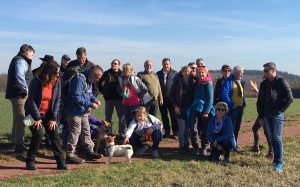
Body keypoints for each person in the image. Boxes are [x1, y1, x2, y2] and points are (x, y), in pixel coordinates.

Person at [25, 61, 67, 170]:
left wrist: (53, 118)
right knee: (38, 134)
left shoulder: (57, 82)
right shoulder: (36, 81)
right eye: (56, 73)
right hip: (30, 114)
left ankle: (61, 162)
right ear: (49, 72)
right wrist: (37, 117)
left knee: (54, 134)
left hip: (48, 114)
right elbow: (31, 100)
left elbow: (57, 100)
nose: (58, 75)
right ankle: (30, 161)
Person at [257, 62, 293, 172]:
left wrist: (280, 111)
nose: (265, 73)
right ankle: (275, 161)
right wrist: (261, 116)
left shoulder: (281, 81)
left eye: (266, 71)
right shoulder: (264, 84)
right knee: (272, 138)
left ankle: (279, 163)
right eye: (264, 71)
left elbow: (289, 98)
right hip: (266, 115)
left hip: (277, 115)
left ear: (273, 70)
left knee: (277, 138)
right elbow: (260, 101)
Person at [64, 65, 104, 164]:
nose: (99, 79)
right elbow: (76, 96)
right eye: (98, 77)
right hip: (74, 111)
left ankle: (89, 151)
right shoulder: (79, 79)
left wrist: (95, 99)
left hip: (83, 110)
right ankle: (69, 155)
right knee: (75, 131)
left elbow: (88, 94)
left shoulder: (89, 80)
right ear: (93, 74)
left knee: (86, 130)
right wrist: (90, 104)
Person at [5, 44, 35, 154]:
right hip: (20, 95)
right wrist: (26, 90)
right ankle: (19, 145)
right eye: (32, 55)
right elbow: (19, 75)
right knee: (21, 119)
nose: (32, 57)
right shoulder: (21, 61)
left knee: (18, 120)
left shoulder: (18, 59)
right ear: (26, 53)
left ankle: (15, 142)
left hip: (18, 94)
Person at [188, 66, 215, 158]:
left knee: (205, 130)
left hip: (205, 110)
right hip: (195, 108)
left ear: (206, 73)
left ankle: (204, 148)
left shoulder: (208, 84)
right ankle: (195, 148)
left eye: (202, 72)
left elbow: (211, 98)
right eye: (199, 72)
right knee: (194, 129)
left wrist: (207, 111)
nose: (201, 74)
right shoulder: (196, 83)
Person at [170, 66, 196, 153]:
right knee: (181, 129)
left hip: (190, 109)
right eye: (185, 71)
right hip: (180, 109)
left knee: (188, 129)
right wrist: (175, 106)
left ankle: (187, 145)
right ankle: (181, 146)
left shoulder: (194, 81)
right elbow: (171, 95)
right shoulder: (177, 81)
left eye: (188, 71)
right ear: (182, 72)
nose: (186, 73)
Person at [98, 59, 125, 135]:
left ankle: (121, 133)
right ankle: (109, 133)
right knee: (108, 118)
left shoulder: (122, 74)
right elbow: (99, 82)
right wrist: (103, 92)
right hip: (109, 99)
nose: (113, 64)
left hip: (119, 99)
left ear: (118, 65)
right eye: (112, 63)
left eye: (115, 63)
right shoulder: (107, 73)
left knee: (121, 117)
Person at [221, 66, 246, 150]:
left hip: (240, 107)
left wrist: (244, 103)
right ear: (235, 73)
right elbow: (224, 94)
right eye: (240, 73)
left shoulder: (241, 81)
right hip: (233, 108)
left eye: (242, 73)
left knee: (237, 127)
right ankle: (230, 145)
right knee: (232, 127)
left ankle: (234, 144)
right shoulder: (228, 81)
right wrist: (231, 104)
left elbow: (242, 94)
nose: (241, 74)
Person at [249, 80, 273, 159]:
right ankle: (256, 147)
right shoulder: (265, 83)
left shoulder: (271, 84)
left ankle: (271, 151)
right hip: (262, 113)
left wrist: (256, 90)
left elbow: (265, 97)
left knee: (267, 132)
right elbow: (261, 96)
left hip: (266, 113)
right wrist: (256, 90)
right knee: (255, 128)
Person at [156, 58, 178, 139]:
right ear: (162, 64)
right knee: (164, 116)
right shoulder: (158, 74)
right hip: (161, 98)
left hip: (172, 99)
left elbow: (178, 87)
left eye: (167, 64)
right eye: (164, 64)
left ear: (170, 64)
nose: (166, 65)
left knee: (173, 115)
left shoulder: (175, 73)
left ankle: (176, 132)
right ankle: (167, 132)